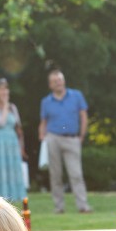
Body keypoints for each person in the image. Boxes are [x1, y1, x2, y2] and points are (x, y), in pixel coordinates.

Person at [38, 68, 91, 214]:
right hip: (53, 138)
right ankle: (59, 207)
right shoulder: (46, 101)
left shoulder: (76, 96)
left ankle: (83, 206)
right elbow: (43, 121)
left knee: (76, 174)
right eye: (55, 81)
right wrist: (42, 136)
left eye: (60, 80)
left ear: (64, 81)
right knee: (55, 175)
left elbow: (83, 116)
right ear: (50, 85)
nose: (58, 83)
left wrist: (82, 136)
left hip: (72, 138)